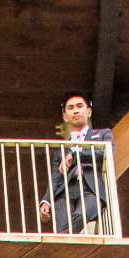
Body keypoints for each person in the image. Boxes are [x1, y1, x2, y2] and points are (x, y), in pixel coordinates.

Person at [39, 92, 114, 234]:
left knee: (80, 215)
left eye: (80, 106)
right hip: (65, 191)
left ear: (89, 111)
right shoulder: (61, 149)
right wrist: (46, 201)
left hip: (91, 189)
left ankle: (58, 240)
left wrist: (75, 155)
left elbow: (105, 153)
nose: (76, 110)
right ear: (65, 116)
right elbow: (56, 177)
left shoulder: (103, 134)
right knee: (62, 223)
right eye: (71, 107)